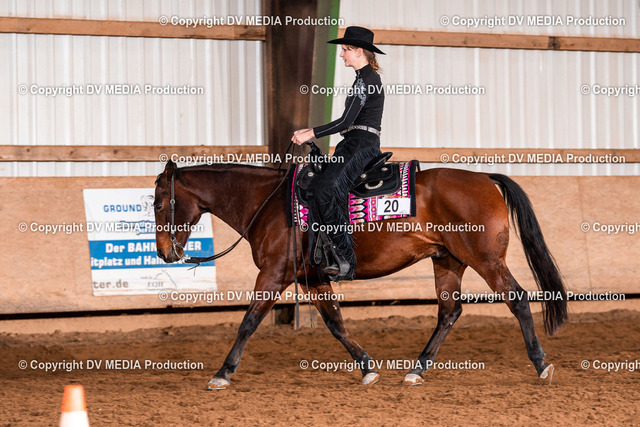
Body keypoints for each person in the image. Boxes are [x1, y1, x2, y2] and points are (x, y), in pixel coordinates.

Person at [292, 26, 385, 281]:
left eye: (345, 50)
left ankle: (344, 256)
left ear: (359, 51)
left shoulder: (367, 81)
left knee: (325, 188)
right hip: (353, 142)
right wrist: (310, 131)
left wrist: (311, 133)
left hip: (360, 144)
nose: (341, 54)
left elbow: (345, 122)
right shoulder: (363, 79)